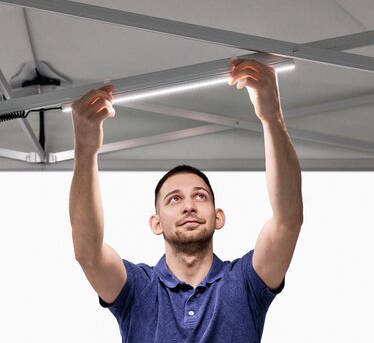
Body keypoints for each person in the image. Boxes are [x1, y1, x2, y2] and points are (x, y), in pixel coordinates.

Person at [69, 59, 303, 342]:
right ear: (156, 223)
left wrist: (272, 116)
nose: (189, 205)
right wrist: (85, 150)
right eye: (174, 199)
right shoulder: (138, 289)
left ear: (219, 216)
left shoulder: (244, 283)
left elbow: (288, 221)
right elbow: (88, 253)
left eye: (200, 196)